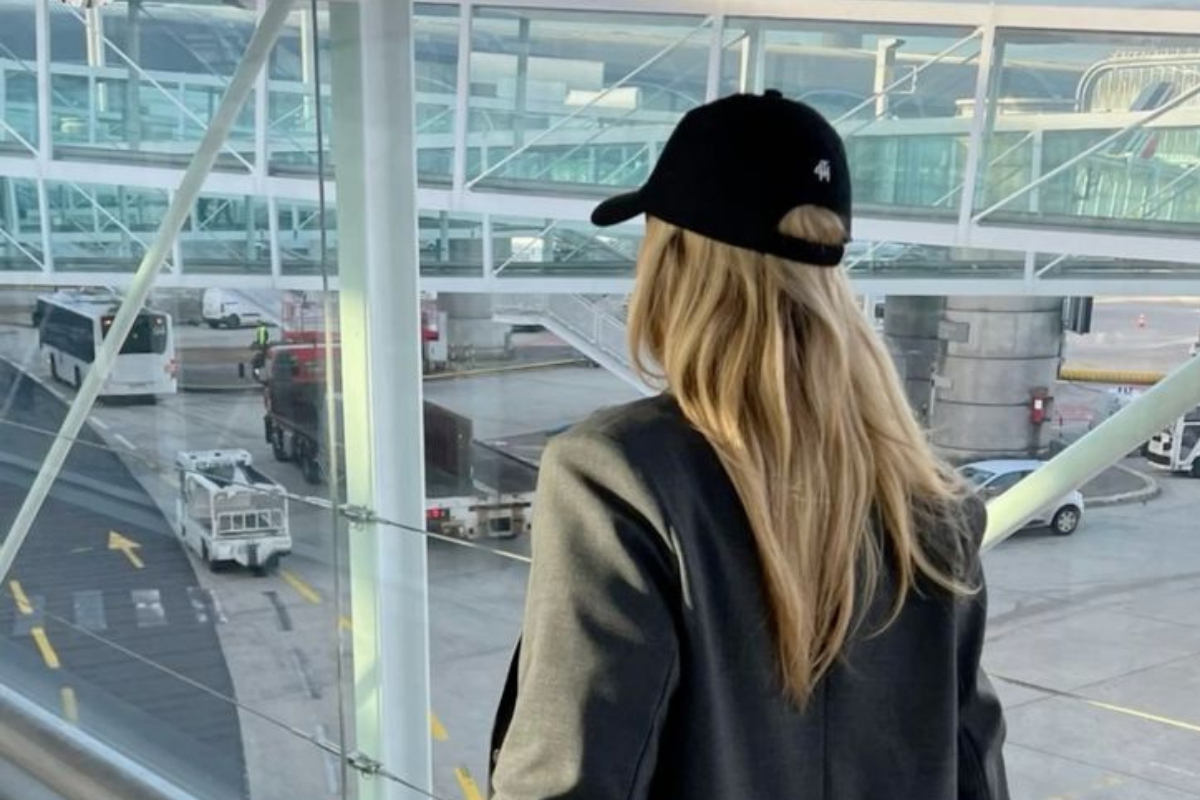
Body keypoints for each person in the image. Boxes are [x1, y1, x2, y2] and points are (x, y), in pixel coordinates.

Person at [488, 90, 1009, 800]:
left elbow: (567, 778)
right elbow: (976, 769)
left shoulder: (617, 476)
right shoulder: (928, 502)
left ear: (674, 264)